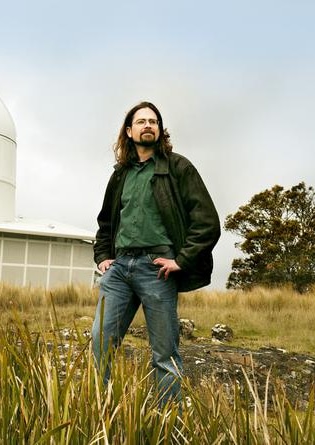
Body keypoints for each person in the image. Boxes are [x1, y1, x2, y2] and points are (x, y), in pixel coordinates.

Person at [92, 101, 221, 404]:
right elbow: (106, 222)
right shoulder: (121, 175)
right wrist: (102, 257)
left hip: (157, 269)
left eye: (153, 121)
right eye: (141, 121)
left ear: (160, 130)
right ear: (129, 130)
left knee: (165, 355)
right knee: (100, 345)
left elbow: (208, 222)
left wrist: (183, 260)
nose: (147, 125)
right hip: (120, 269)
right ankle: (100, 415)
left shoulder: (178, 167)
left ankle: (166, 425)